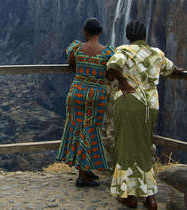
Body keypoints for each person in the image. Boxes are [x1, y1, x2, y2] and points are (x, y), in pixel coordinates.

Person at [107, 20, 184, 209]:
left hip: (129, 102)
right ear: (144, 36)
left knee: (126, 148)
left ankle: (128, 196)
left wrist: (123, 82)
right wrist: (179, 71)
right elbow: (172, 69)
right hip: (151, 105)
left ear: (128, 36)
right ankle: (150, 197)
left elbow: (112, 67)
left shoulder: (123, 50)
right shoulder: (156, 54)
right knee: (144, 148)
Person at [57, 18, 114, 187]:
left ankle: (85, 168)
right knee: (89, 131)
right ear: (100, 32)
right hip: (96, 96)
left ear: (85, 32)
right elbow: (110, 76)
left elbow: (71, 64)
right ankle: (83, 175)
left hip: (77, 93)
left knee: (77, 129)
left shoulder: (76, 48)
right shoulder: (107, 53)